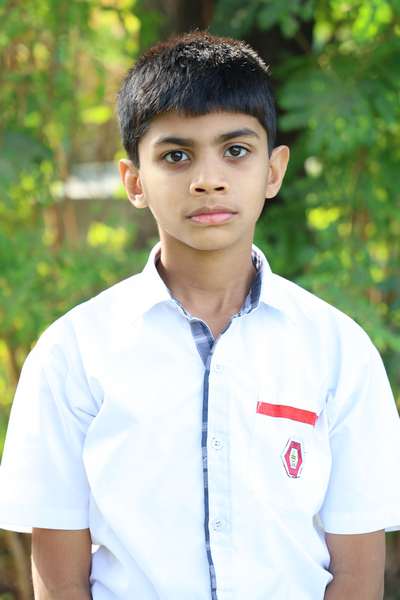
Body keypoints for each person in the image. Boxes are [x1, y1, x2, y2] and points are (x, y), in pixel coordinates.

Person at [0, 30, 399, 600]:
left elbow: (358, 573)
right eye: (176, 155)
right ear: (134, 181)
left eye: (235, 151)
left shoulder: (337, 348)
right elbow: (60, 578)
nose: (208, 178)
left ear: (273, 171)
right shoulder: (75, 352)